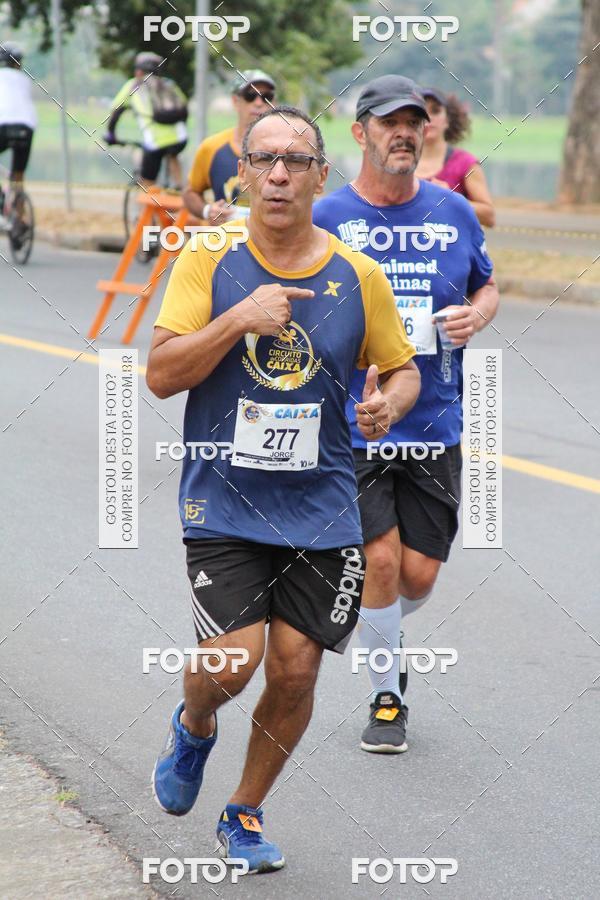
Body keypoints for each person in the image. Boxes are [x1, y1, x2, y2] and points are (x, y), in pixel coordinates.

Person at [146, 104, 420, 873]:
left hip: (324, 503)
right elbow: (162, 376)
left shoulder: (356, 275)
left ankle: (244, 811)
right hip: (225, 500)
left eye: (295, 161)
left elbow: (402, 369)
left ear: (319, 176)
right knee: (231, 665)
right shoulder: (207, 257)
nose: (277, 175)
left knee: (296, 669)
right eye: (262, 159)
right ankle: (195, 725)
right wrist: (238, 318)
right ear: (242, 173)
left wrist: (386, 405)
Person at [314, 75, 499, 754]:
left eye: (414, 122)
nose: (403, 133)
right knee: (381, 561)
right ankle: (385, 695)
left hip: (435, 422)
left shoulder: (453, 212)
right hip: (353, 422)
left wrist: (476, 314)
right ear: (359, 133)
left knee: (417, 574)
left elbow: (487, 284)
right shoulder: (328, 217)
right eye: (388, 123)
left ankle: (381, 630)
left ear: (427, 131)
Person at [183, 69, 276, 224]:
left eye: (266, 97)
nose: (259, 103)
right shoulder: (212, 147)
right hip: (226, 243)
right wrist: (207, 211)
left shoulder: (286, 150)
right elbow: (190, 192)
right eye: (250, 96)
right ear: (235, 101)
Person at [104, 52, 188, 189]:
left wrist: (110, 134)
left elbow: (116, 112)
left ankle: (150, 203)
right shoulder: (169, 84)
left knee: (148, 182)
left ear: (138, 71)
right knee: (173, 155)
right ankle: (180, 189)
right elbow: (184, 110)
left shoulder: (133, 85)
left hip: (155, 142)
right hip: (180, 138)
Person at [416, 87, 495, 227]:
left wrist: (452, 200)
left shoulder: (465, 164)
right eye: (421, 111)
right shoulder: (397, 161)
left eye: (435, 111)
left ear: (448, 119)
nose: (429, 117)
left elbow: (489, 217)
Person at [0, 43, 36, 192]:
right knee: (18, 174)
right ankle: (19, 208)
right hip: (26, 127)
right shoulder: (25, 80)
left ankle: (1, 201)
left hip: (3, 125)